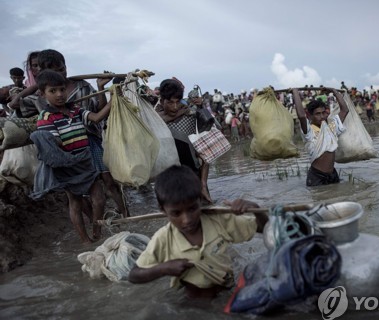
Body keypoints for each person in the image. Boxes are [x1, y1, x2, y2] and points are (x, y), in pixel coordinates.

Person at [128, 165, 268, 298]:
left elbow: (265, 229)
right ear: (163, 210)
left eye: (192, 209)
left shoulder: (219, 220)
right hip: (193, 301)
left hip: (227, 292)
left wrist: (255, 209)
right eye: (176, 213)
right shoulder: (163, 238)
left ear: (200, 200)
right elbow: (134, 275)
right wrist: (164, 269)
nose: (187, 220)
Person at [36, 49, 129, 218]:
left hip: (91, 140)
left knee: (108, 180)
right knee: (77, 193)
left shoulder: (83, 86)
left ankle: (124, 213)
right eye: (53, 70)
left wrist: (101, 88)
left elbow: (98, 112)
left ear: (66, 67)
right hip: (68, 148)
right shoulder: (41, 95)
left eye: (61, 69)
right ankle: (95, 222)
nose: (60, 74)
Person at [31, 69, 113, 243]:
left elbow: (97, 117)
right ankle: (85, 241)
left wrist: (115, 99)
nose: (60, 94)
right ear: (42, 94)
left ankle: (97, 234)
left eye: (62, 89)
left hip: (85, 161)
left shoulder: (75, 110)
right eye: (53, 91)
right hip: (68, 166)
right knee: (75, 202)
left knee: (99, 198)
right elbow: (55, 143)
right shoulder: (45, 117)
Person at [157, 78, 213, 204]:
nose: (175, 107)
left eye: (177, 102)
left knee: (203, 212)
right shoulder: (154, 122)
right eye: (170, 103)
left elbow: (205, 153)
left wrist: (203, 184)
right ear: (161, 101)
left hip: (193, 176)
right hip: (169, 180)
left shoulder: (190, 116)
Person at [292, 88, 348, 186]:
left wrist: (334, 91)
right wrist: (295, 92)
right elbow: (301, 116)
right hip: (317, 176)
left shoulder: (331, 126)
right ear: (310, 116)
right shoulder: (309, 131)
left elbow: (345, 110)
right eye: (317, 114)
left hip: (332, 174)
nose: (321, 116)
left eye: (323, 113)